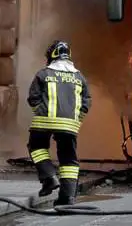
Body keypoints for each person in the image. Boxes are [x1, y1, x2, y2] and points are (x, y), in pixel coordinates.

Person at [27, 40, 92, 206]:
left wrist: (41, 112)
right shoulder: (80, 76)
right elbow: (86, 102)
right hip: (69, 124)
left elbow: (33, 97)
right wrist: (77, 120)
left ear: (52, 55)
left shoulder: (43, 74)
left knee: (36, 146)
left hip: (45, 120)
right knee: (68, 159)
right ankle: (68, 197)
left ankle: (49, 177)